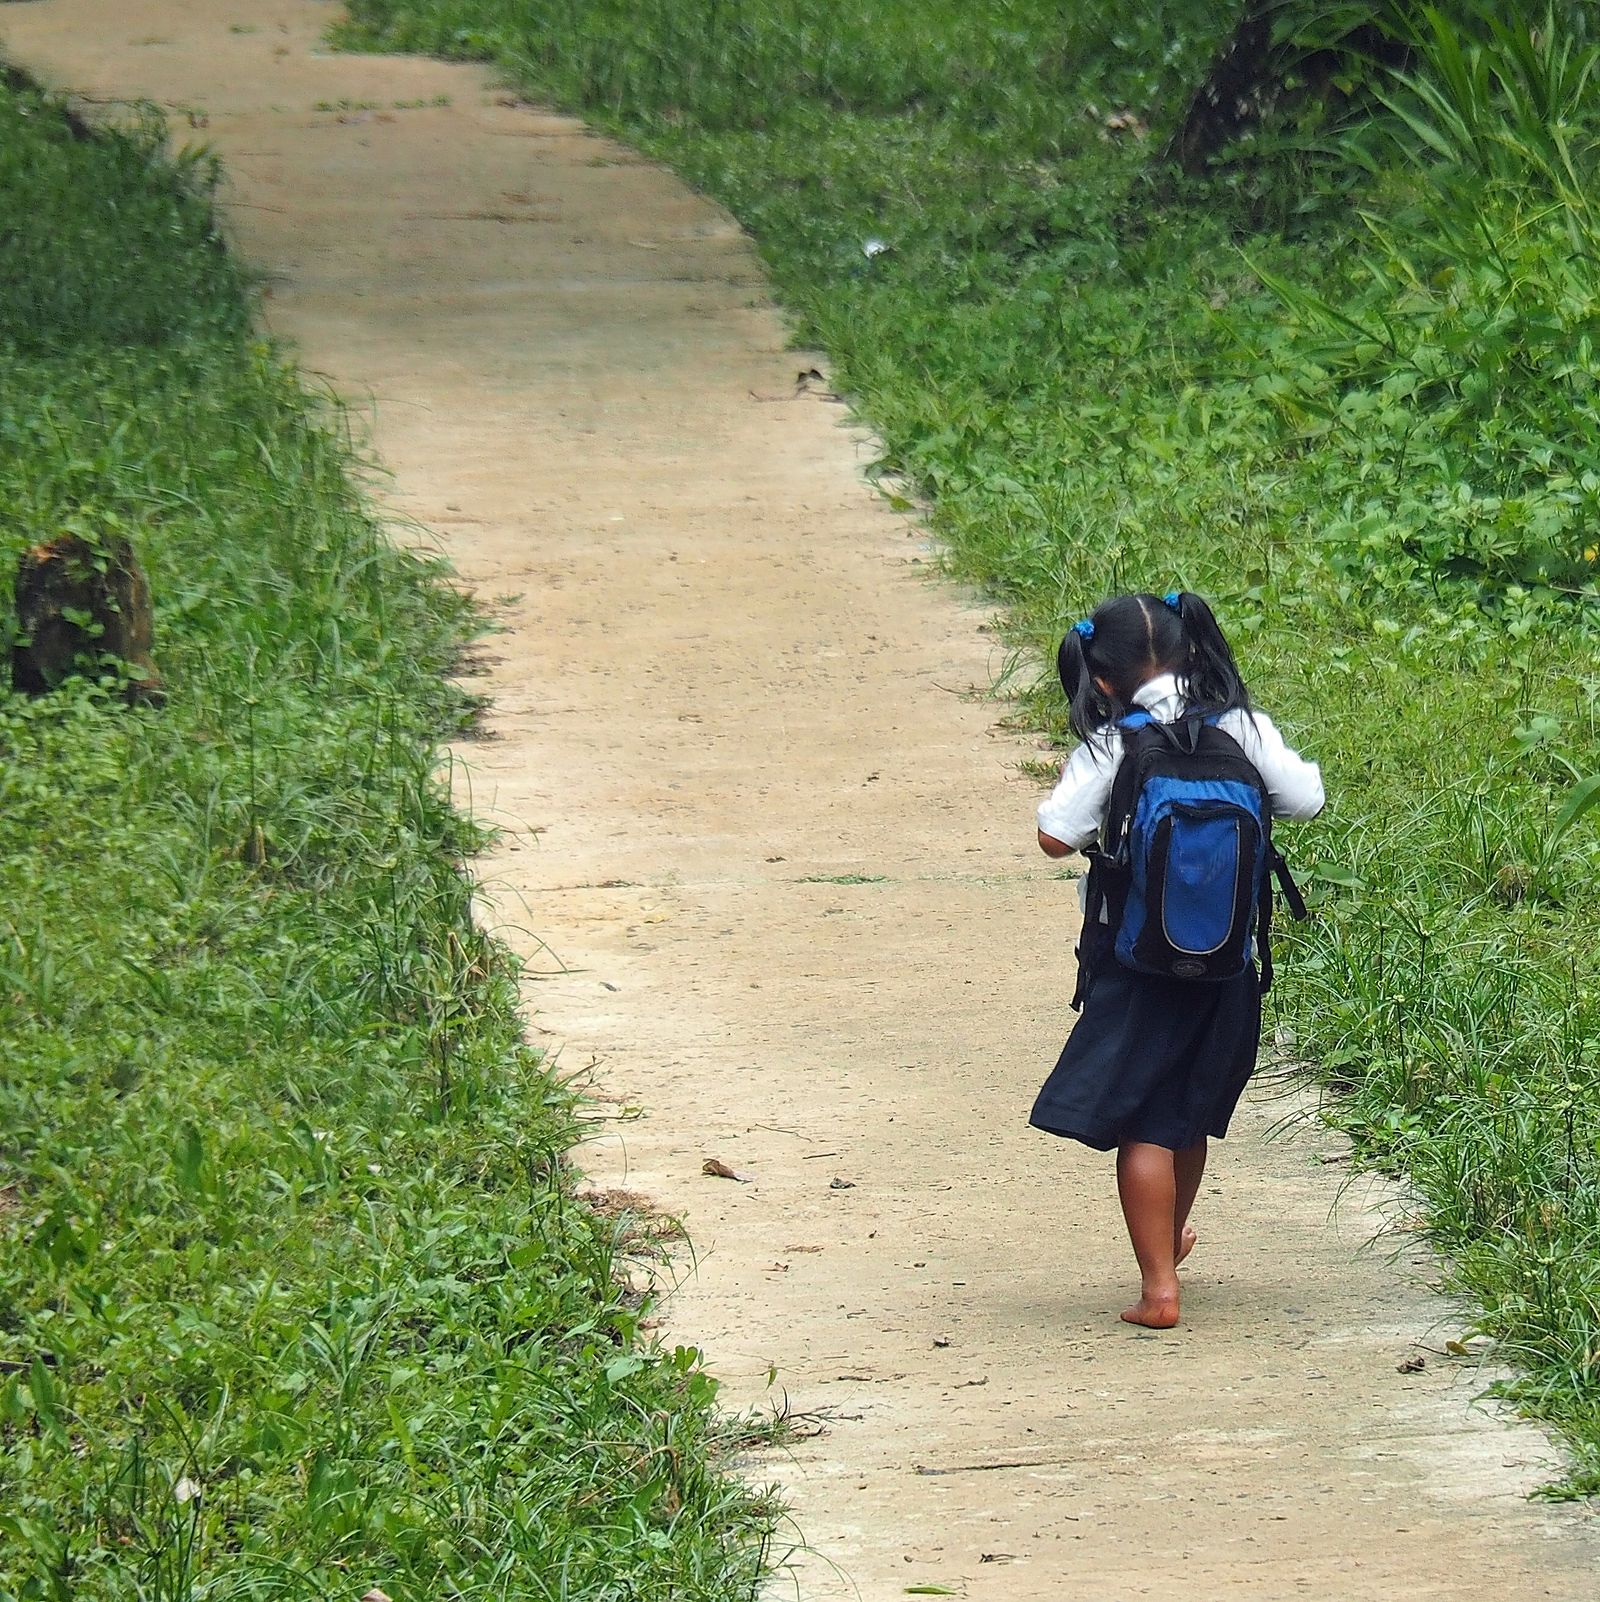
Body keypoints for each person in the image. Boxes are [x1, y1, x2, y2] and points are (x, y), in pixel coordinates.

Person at [1031, 591, 1324, 1328]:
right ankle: (1169, 1242)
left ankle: (1158, 1287)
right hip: (1228, 958)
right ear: (1196, 653)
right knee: (1187, 1115)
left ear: (1100, 678)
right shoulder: (1240, 726)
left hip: (1136, 962)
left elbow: (1054, 836)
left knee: (1145, 1127)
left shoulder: (1116, 742)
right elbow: (1306, 800)